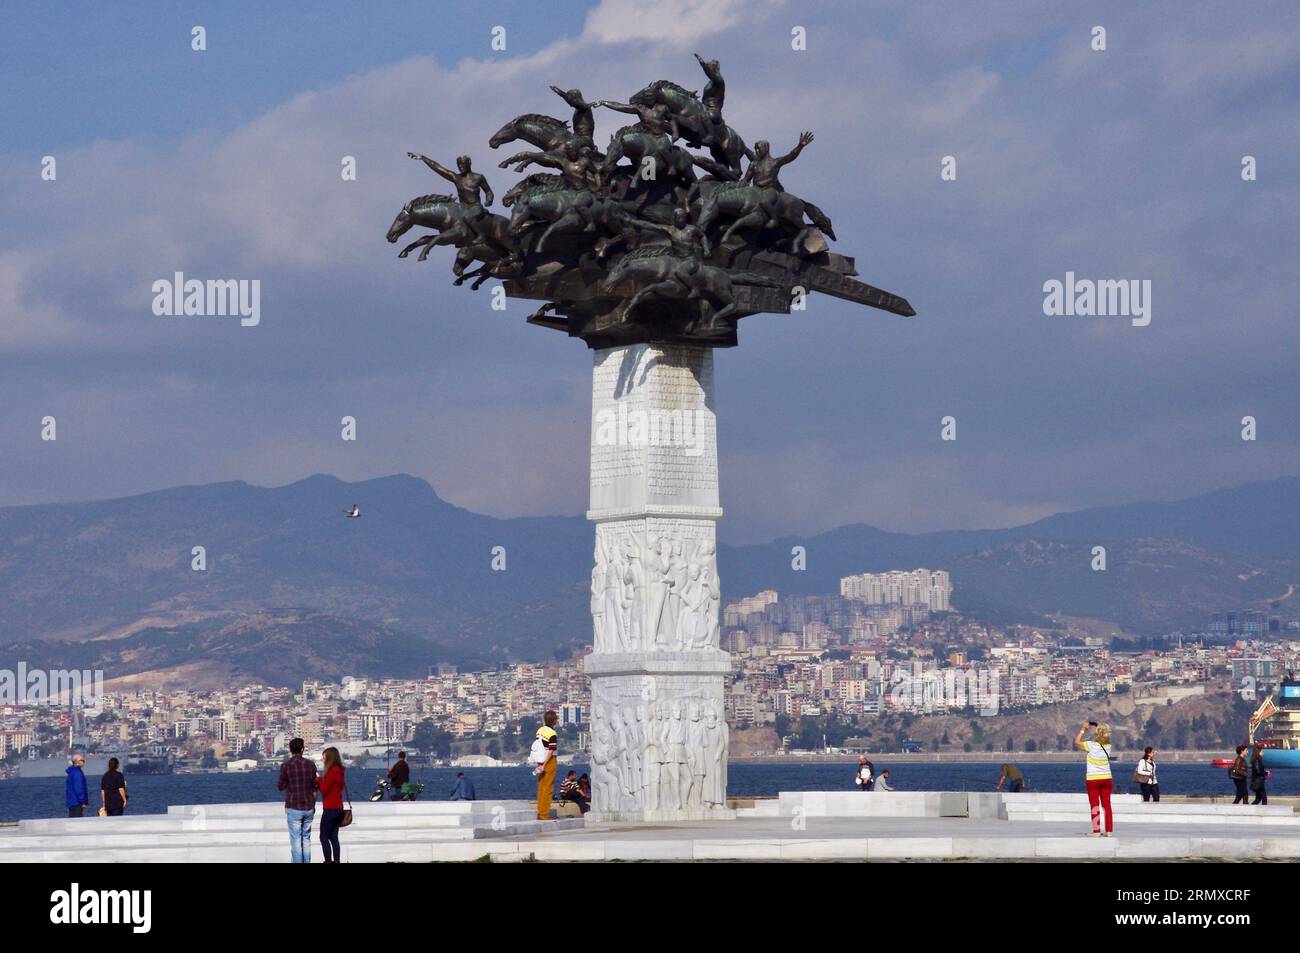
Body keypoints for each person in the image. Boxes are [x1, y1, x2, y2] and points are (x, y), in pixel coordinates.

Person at [277, 737, 318, 863]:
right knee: (306, 839)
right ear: (302, 749)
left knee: (295, 841)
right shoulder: (311, 765)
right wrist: (313, 803)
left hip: (294, 807)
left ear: (290, 750)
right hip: (308, 806)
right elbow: (315, 786)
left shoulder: (286, 766)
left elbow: (281, 786)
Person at [1075, 721, 1114, 837]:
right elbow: (1103, 732)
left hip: (1093, 779)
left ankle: (1096, 831)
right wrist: (1099, 725)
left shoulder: (1090, 745)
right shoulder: (1108, 746)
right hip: (1107, 778)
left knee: (1095, 805)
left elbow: (1077, 742)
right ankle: (1109, 830)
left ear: (1097, 734)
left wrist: (1083, 729)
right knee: (1107, 805)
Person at [317, 746, 347, 864]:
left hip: (330, 809)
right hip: (339, 808)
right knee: (333, 837)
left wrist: (318, 779)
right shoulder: (340, 771)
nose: (323, 760)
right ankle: (337, 860)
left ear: (329, 758)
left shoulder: (332, 772)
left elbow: (324, 789)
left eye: (324, 758)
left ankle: (328, 861)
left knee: (323, 837)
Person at [534, 710, 559, 820]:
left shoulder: (540, 730)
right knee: (548, 787)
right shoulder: (552, 733)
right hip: (548, 761)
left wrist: (541, 764)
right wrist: (545, 764)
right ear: (554, 721)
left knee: (541, 787)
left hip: (539, 760)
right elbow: (551, 750)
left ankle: (540, 811)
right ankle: (544, 813)